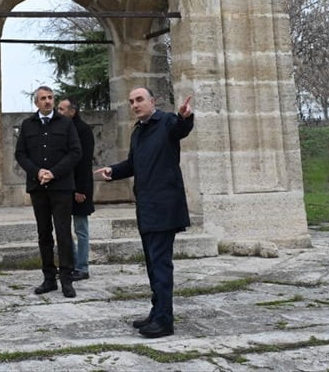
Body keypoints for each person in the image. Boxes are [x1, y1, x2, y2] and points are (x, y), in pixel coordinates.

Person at [96, 86, 194, 338]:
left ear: (153, 101)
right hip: (146, 207)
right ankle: (157, 312)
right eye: (131, 102)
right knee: (152, 264)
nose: (135, 105)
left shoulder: (168, 121)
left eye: (139, 100)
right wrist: (113, 171)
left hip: (164, 206)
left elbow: (181, 129)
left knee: (161, 265)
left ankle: (164, 321)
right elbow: (133, 164)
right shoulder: (138, 131)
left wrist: (185, 117)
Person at [14, 85, 82, 298]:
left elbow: (75, 152)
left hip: (61, 187)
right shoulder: (28, 125)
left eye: (50, 97)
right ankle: (49, 278)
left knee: (63, 233)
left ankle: (67, 279)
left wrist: (53, 172)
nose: (47, 101)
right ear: (36, 102)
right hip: (38, 187)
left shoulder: (66, 123)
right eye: (43, 98)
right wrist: (37, 172)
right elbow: (20, 154)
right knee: (44, 233)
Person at [55, 97, 94, 281]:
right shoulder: (62, 129)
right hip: (64, 187)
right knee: (64, 228)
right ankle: (70, 264)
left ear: (72, 111)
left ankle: (82, 267)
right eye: (58, 109)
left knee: (80, 229)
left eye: (62, 109)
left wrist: (81, 190)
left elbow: (84, 162)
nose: (59, 112)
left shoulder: (83, 130)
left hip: (79, 187)